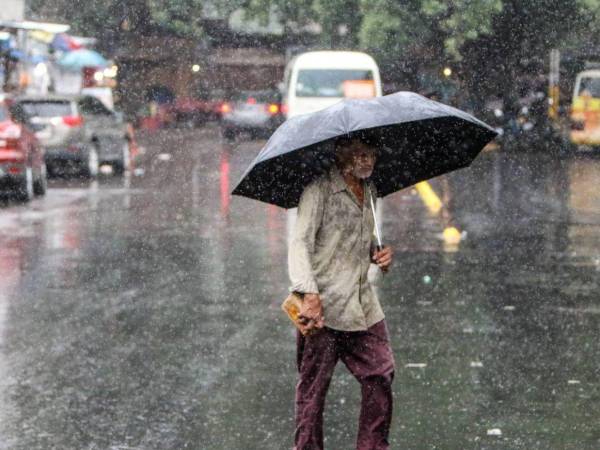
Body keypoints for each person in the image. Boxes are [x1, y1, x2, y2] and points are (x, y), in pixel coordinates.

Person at [288, 135, 395, 450]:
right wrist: (307, 293)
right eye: (360, 154)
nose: (368, 161)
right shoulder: (318, 191)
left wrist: (382, 255)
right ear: (341, 154)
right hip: (322, 305)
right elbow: (299, 244)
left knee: (381, 373)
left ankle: (372, 446)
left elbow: (367, 245)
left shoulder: (371, 192)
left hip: (362, 305)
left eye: (371, 154)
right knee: (313, 390)